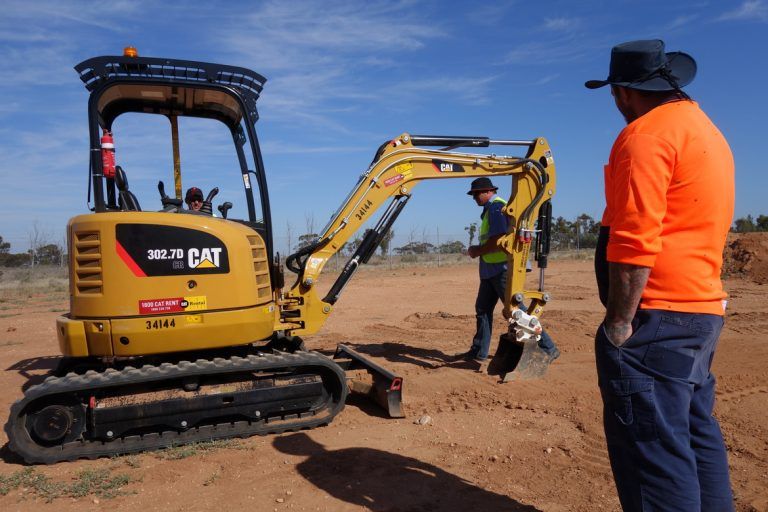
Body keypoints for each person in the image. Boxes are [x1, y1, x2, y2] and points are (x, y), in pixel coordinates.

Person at [587, 39, 735, 511]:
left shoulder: (647, 135)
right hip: (699, 314)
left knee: (653, 457)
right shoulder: (705, 130)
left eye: (615, 95)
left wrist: (618, 324)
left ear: (624, 92)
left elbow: (634, 237)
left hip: (655, 320)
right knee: (693, 433)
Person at [461, 177, 559, 363]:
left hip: (502, 269)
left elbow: (498, 239)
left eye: (476, 194)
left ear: (488, 191)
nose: (474, 198)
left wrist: (477, 251)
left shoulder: (497, 208)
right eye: (473, 195)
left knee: (516, 311)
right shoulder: (490, 209)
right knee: (482, 309)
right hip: (490, 271)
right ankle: (478, 352)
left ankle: (548, 348)